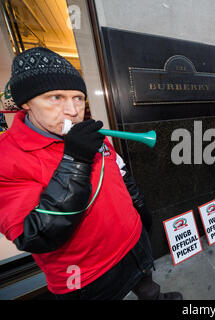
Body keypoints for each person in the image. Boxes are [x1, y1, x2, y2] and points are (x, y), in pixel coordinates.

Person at [0, 47, 182, 300]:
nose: (73, 111)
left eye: (78, 97)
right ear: (26, 103)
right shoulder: (6, 157)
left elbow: (120, 172)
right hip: (86, 274)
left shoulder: (90, 135)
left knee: (149, 289)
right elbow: (34, 236)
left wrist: (140, 212)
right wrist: (75, 160)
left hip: (132, 242)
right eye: (55, 98)